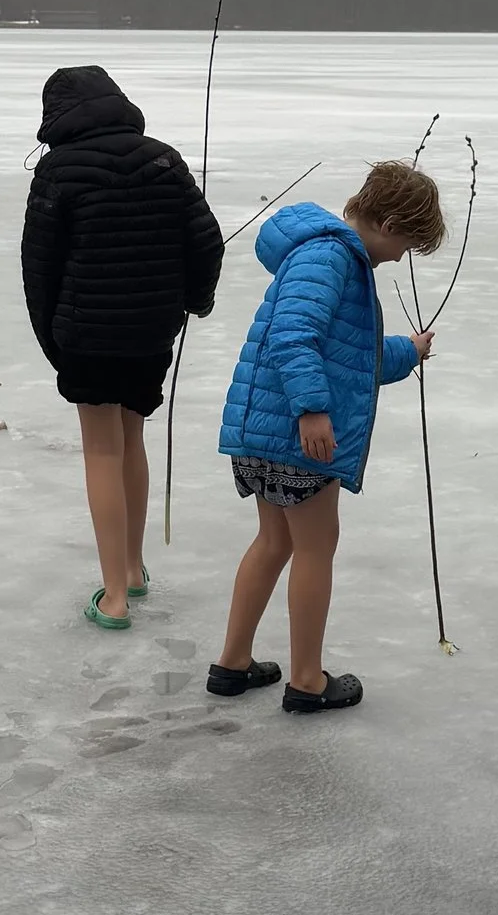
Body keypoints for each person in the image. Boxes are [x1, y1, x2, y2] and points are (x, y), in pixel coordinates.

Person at [211, 157, 445, 715]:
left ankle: (233, 664)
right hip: (296, 435)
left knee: (274, 543)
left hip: (265, 429)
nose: (403, 256)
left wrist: (407, 352)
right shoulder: (330, 256)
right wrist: (312, 411)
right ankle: (308, 680)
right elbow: (294, 337)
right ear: (389, 224)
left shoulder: (325, 257)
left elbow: (349, 357)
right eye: (409, 243)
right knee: (316, 549)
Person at [22, 64, 224, 628]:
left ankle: (113, 595)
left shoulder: (57, 170)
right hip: (152, 329)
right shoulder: (163, 158)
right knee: (131, 438)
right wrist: (195, 301)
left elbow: (39, 269)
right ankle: (133, 569)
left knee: (101, 451)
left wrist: (53, 343)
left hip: (86, 333)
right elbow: (206, 239)